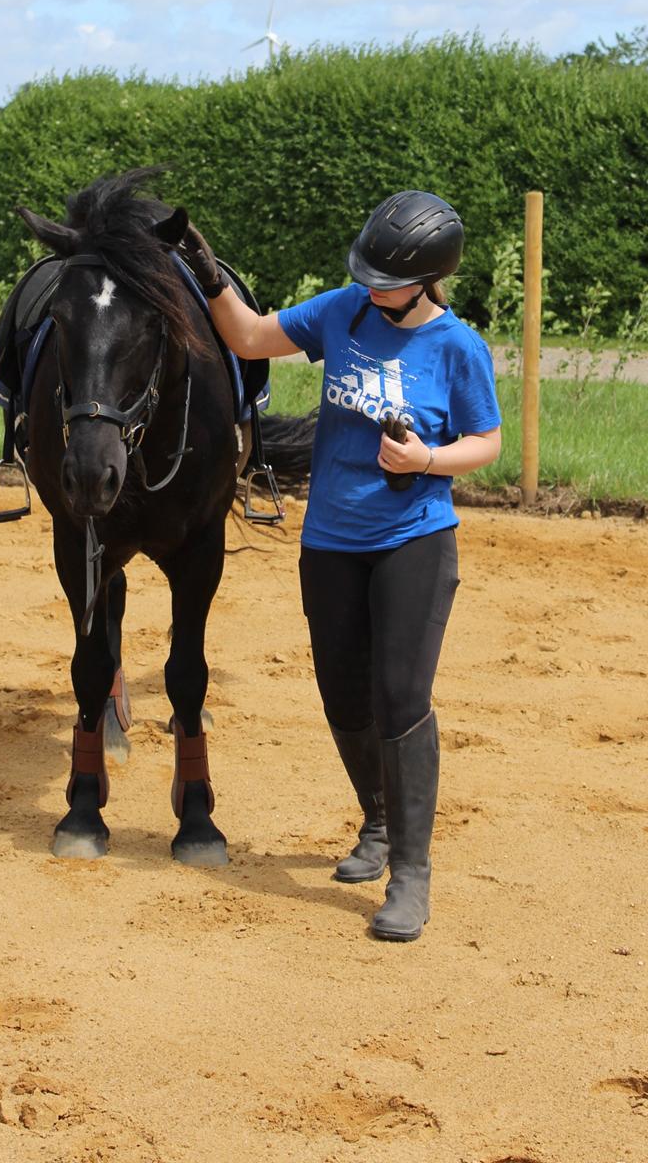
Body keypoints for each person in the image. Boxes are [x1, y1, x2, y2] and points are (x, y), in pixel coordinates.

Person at [179, 190, 501, 942]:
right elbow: (253, 338)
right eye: (368, 275)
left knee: (400, 697)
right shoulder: (343, 312)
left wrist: (426, 459)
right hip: (329, 540)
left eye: (386, 279)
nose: (372, 287)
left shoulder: (457, 346)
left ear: (426, 278)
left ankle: (410, 875)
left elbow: (485, 442)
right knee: (342, 697)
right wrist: (207, 271)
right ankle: (377, 823)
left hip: (413, 539)